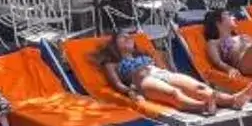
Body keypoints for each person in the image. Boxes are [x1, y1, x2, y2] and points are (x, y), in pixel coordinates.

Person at [93, 30, 240, 113]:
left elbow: (163, 68)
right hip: (141, 80)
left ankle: (233, 99)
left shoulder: (145, 55)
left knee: (199, 87)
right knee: (173, 93)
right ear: (113, 44)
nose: (128, 38)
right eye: (122, 37)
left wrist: (159, 57)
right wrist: (130, 92)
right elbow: (117, 84)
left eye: (130, 37)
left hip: (160, 73)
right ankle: (204, 105)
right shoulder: (112, 63)